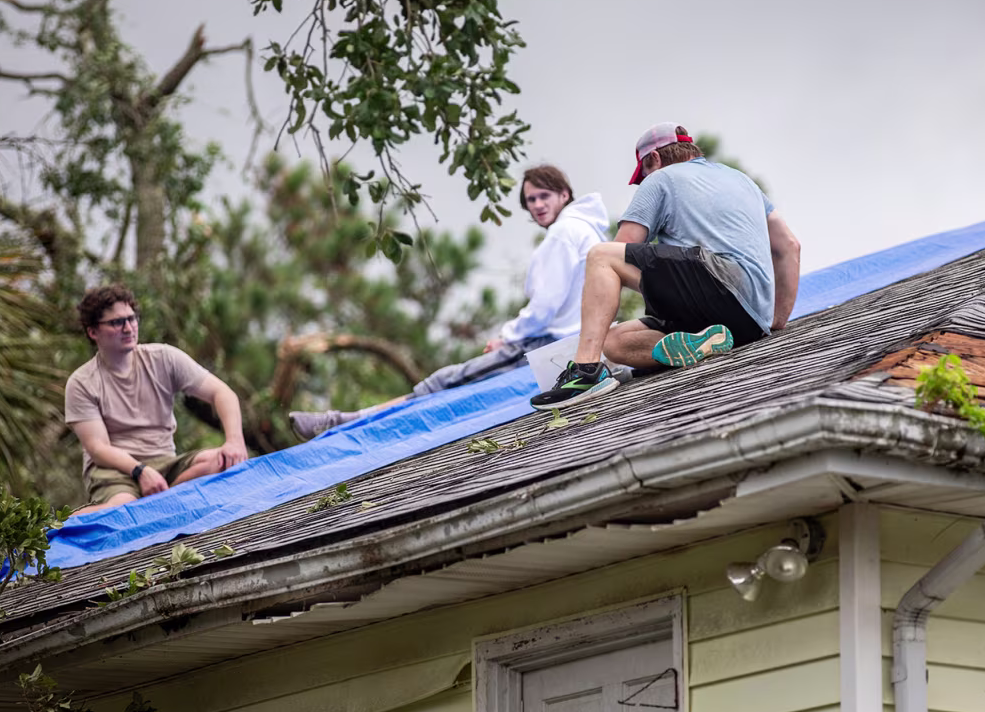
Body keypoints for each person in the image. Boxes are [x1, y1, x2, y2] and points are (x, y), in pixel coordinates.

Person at [289, 165, 610, 440]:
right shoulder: (586, 230)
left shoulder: (562, 234)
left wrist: (507, 337)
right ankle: (347, 419)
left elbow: (545, 306)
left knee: (446, 383)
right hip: (579, 339)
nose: (538, 205)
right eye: (531, 200)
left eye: (544, 196)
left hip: (547, 342)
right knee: (450, 383)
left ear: (564, 194)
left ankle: (344, 422)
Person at [529, 122, 800, 410]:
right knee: (613, 343)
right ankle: (699, 345)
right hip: (747, 323)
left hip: (716, 286)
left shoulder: (661, 178)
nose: (644, 179)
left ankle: (585, 372)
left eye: (643, 172)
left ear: (654, 159)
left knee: (601, 256)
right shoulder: (741, 179)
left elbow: (621, 249)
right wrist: (775, 321)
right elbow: (789, 246)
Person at [64, 284, 248, 514]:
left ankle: (160, 504)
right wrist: (140, 471)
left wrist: (234, 442)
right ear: (93, 332)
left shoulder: (164, 358)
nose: (128, 327)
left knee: (222, 462)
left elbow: (223, 394)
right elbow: (98, 448)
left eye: (132, 318)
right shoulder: (81, 382)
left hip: (165, 463)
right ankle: (58, 527)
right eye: (116, 322)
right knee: (122, 510)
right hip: (115, 472)